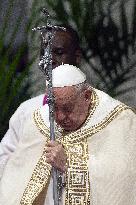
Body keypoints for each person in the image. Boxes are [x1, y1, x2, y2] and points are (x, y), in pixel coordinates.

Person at [0, 64, 136, 205]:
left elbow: (123, 176)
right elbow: (15, 179)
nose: (59, 117)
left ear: (87, 96)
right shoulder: (40, 119)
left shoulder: (120, 119)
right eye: (54, 108)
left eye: (67, 108)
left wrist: (69, 164)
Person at [0, 25, 82, 178]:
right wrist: (29, 158)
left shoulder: (102, 110)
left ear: (77, 57)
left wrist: (69, 163)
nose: (49, 60)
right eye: (44, 53)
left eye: (58, 52)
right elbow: (4, 160)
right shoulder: (27, 110)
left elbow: (116, 167)